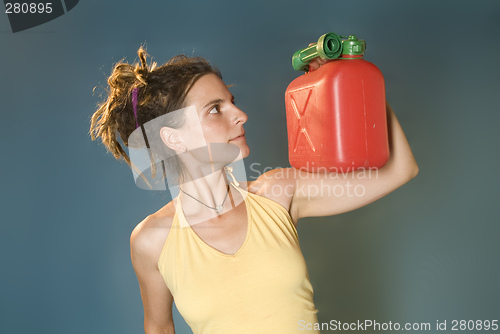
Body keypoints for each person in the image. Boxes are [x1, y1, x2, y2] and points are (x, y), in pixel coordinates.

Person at [89, 46, 418, 334]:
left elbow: (401, 170)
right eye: (215, 109)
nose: (241, 115)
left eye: (232, 102)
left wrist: (356, 80)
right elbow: (159, 327)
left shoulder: (278, 192)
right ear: (173, 138)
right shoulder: (151, 241)